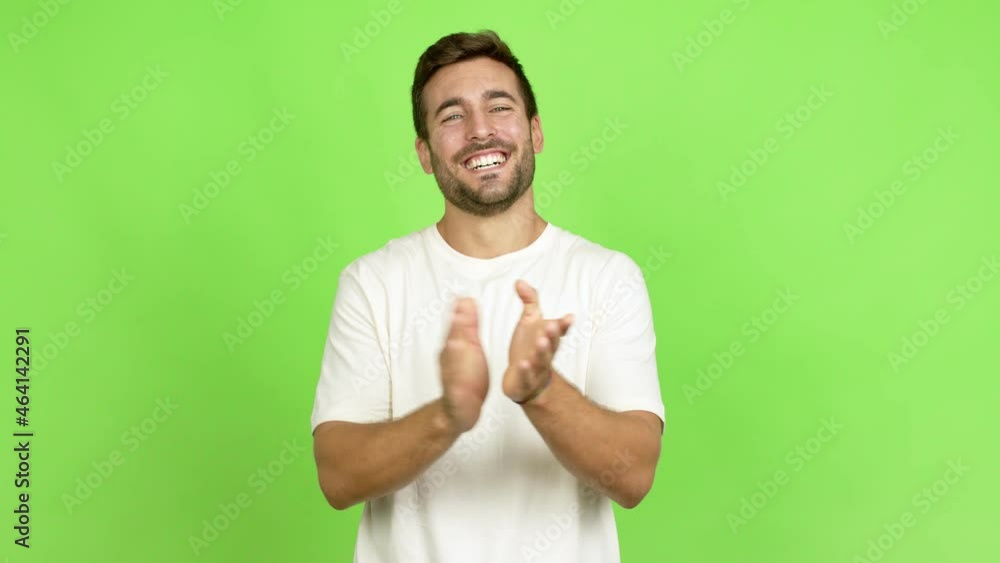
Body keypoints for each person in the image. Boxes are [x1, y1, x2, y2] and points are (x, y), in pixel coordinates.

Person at [310, 29, 664, 563]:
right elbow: (338, 477)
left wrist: (541, 391)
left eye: (499, 107)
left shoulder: (607, 277)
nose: (480, 130)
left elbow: (634, 475)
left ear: (535, 131)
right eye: (452, 116)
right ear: (425, 153)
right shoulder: (373, 282)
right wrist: (448, 414)